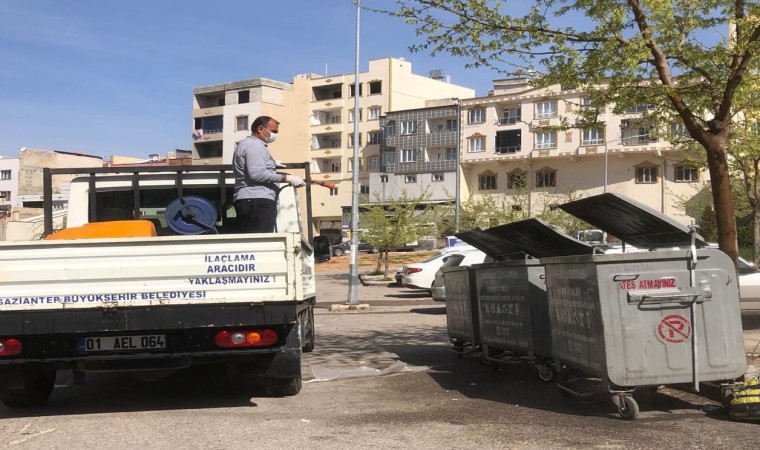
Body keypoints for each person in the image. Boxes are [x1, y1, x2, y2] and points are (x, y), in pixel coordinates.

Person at [232, 116, 305, 233]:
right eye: (274, 131)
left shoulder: (249, 144)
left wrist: (272, 164)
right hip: (257, 201)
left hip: (252, 200)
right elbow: (257, 174)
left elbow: (253, 166)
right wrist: (287, 178)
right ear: (261, 129)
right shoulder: (254, 146)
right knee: (260, 242)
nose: (275, 135)